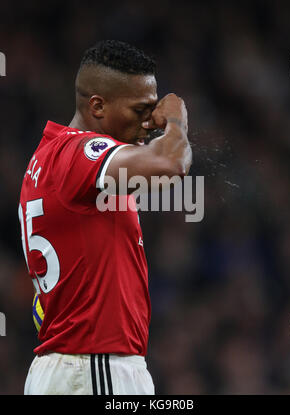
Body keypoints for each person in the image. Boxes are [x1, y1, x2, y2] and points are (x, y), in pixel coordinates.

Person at [18, 40, 192, 395]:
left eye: (154, 108)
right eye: (140, 110)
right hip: (96, 367)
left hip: (73, 369)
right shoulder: (80, 151)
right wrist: (176, 117)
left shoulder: (48, 158)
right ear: (97, 106)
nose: (150, 122)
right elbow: (172, 163)